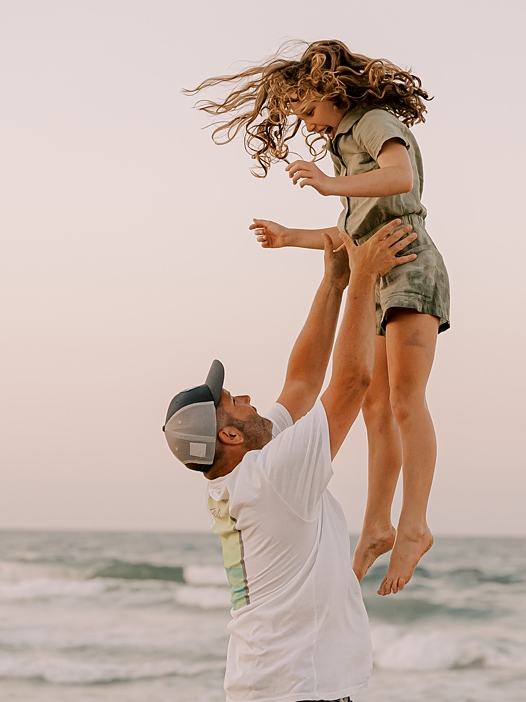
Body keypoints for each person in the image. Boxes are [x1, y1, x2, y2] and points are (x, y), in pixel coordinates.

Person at [190, 39, 450, 594]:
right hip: (375, 269)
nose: (308, 124)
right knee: (375, 405)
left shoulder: (374, 122)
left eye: (308, 111)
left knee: (404, 399)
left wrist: (331, 185)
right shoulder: (344, 142)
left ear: (331, 90)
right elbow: (350, 233)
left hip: (407, 264)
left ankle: (414, 523)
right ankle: (377, 521)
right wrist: (293, 239)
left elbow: (400, 178)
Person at [162, 220, 416, 702]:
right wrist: (365, 274)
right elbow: (351, 383)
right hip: (297, 690)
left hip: (272, 684)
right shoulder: (269, 477)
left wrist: (334, 281)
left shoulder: (244, 474)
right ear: (230, 434)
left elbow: (301, 382)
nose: (250, 399)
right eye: (235, 402)